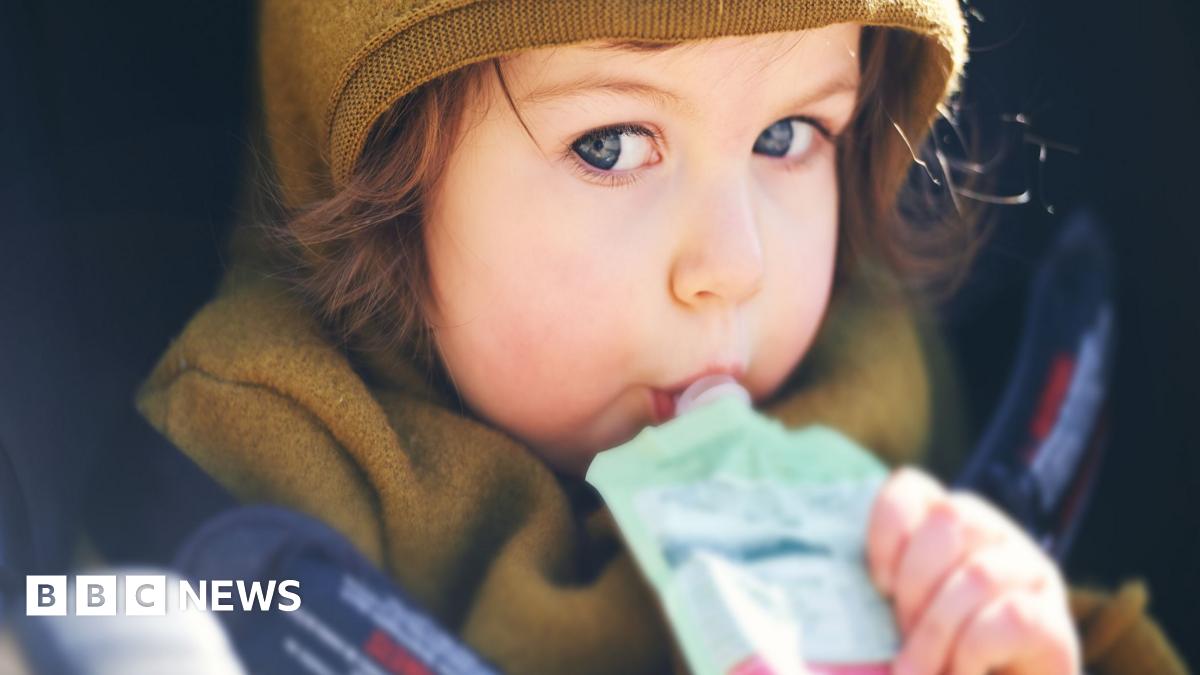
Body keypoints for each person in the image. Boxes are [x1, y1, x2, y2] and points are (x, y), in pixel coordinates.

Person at [134, 1, 1187, 673]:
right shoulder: (261, 455)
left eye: (788, 138)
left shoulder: (869, 392)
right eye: (611, 144)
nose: (734, 267)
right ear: (379, 187)